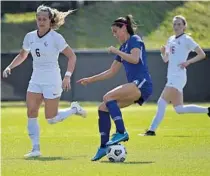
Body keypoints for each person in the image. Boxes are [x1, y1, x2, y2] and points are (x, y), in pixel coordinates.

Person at [2, 5, 86, 158]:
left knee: (51, 119)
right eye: (39, 19)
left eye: (44, 19)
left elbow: (72, 56)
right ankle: (35, 149)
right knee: (31, 112)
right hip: (36, 79)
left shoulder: (56, 38)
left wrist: (67, 76)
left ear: (50, 20)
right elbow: (22, 55)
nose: (41, 22)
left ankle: (74, 109)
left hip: (52, 80)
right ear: (36, 19)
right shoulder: (30, 37)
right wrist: (9, 67)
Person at [77, 14, 153, 161]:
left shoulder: (134, 40)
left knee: (107, 97)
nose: (114, 35)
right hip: (136, 85)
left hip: (142, 83)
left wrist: (117, 52)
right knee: (103, 107)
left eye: (115, 31)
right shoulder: (123, 47)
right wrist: (90, 79)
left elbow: (135, 59)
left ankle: (121, 131)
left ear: (124, 27)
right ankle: (103, 146)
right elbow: (111, 72)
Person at [141, 15, 210, 136]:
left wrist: (188, 62)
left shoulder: (187, 39)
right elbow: (166, 59)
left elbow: (202, 54)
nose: (176, 26)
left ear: (184, 26)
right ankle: (208, 110)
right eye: (175, 24)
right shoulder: (171, 39)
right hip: (172, 77)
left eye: (179, 24)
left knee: (161, 103)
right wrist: (163, 53)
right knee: (179, 109)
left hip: (178, 76)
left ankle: (151, 130)